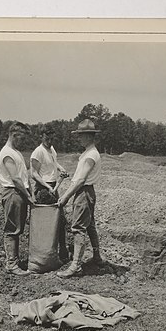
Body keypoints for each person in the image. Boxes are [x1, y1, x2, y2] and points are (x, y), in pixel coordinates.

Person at [56, 119, 103, 278]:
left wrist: (66, 196)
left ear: (89, 136)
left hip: (83, 192)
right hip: (86, 192)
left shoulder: (91, 155)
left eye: (81, 135)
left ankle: (75, 265)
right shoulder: (88, 153)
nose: (79, 138)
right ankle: (97, 257)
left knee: (78, 228)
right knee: (89, 226)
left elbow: (81, 179)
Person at [0, 122, 35, 276]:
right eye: (21, 138)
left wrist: (29, 193)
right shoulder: (7, 153)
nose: (23, 142)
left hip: (20, 193)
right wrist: (28, 196)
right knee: (12, 229)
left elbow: (24, 176)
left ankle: (15, 259)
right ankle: (11, 264)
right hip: (13, 193)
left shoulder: (16, 152)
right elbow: (15, 178)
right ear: (14, 135)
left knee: (17, 228)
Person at [30, 126, 69, 197]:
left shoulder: (52, 149)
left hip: (53, 185)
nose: (49, 142)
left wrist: (61, 169)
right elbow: (34, 174)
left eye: (52, 139)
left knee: (55, 207)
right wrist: (48, 187)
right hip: (42, 187)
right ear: (41, 137)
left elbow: (53, 163)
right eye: (47, 139)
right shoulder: (38, 151)